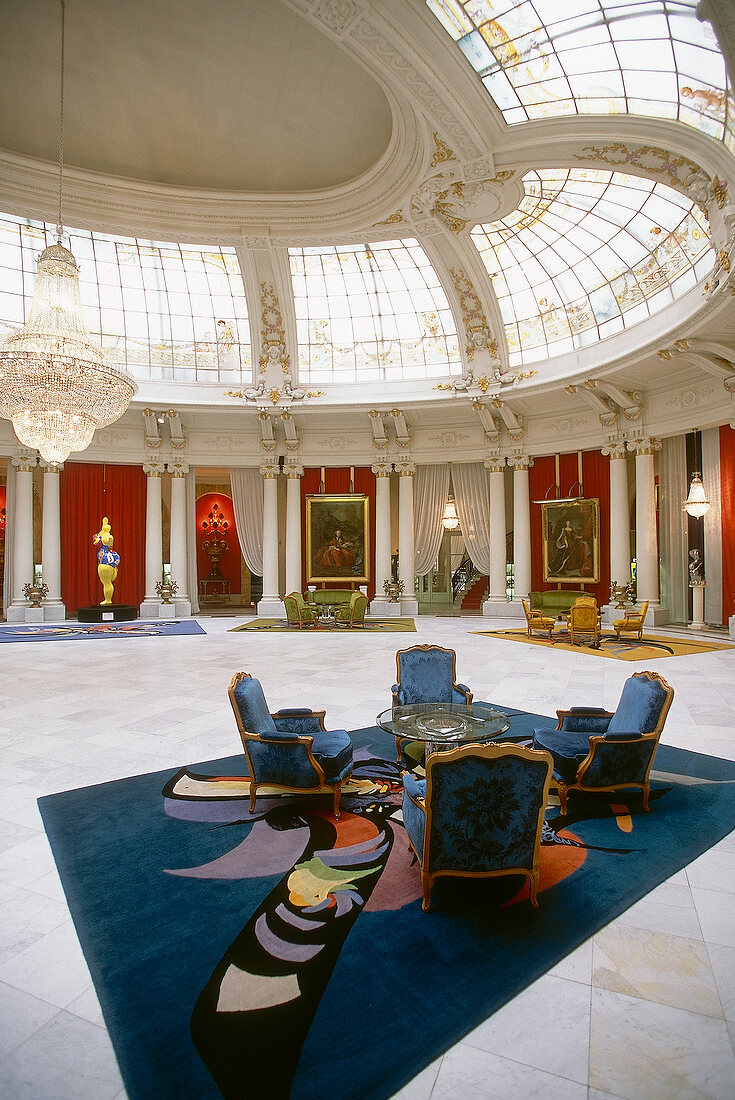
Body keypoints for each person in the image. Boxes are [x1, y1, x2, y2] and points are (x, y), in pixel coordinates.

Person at [93, 517, 121, 605]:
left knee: (107, 582)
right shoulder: (106, 535)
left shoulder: (106, 536)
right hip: (104, 562)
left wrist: (101, 534)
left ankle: (108, 599)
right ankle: (107, 599)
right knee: (106, 582)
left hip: (105, 563)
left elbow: (96, 540)